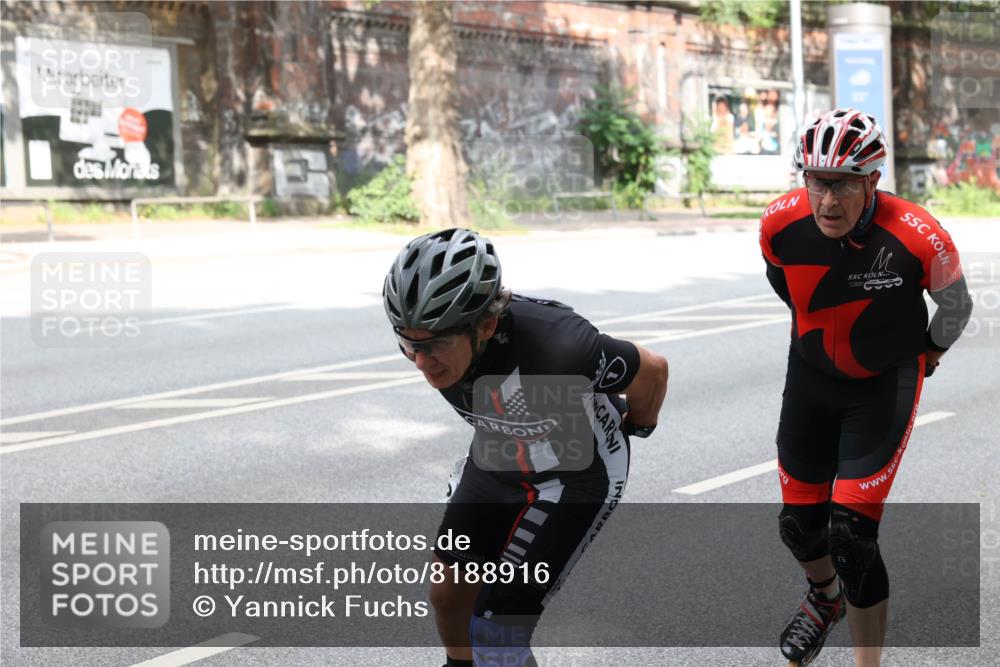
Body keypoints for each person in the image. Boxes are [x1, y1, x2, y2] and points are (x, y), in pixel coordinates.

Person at [383, 228, 668, 667]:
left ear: (486, 324)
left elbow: (652, 371)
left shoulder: (560, 348)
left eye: (436, 344)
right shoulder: (440, 349)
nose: (422, 362)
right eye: (409, 345)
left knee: (497, 632)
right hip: (500, 455)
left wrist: (639, 425)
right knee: (447, 595)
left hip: (576, 475)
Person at [759, 108, 973, 666]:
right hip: (809, 378)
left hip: (882, 384)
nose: (827, 201)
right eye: (816, 182)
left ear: (872, 180)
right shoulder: (779, 223)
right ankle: (824, 598)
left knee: (852, 537)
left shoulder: (918, 233)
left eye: (844, 185)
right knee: (799, 528)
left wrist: (929, 353)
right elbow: (782, 279)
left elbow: (956, 305)